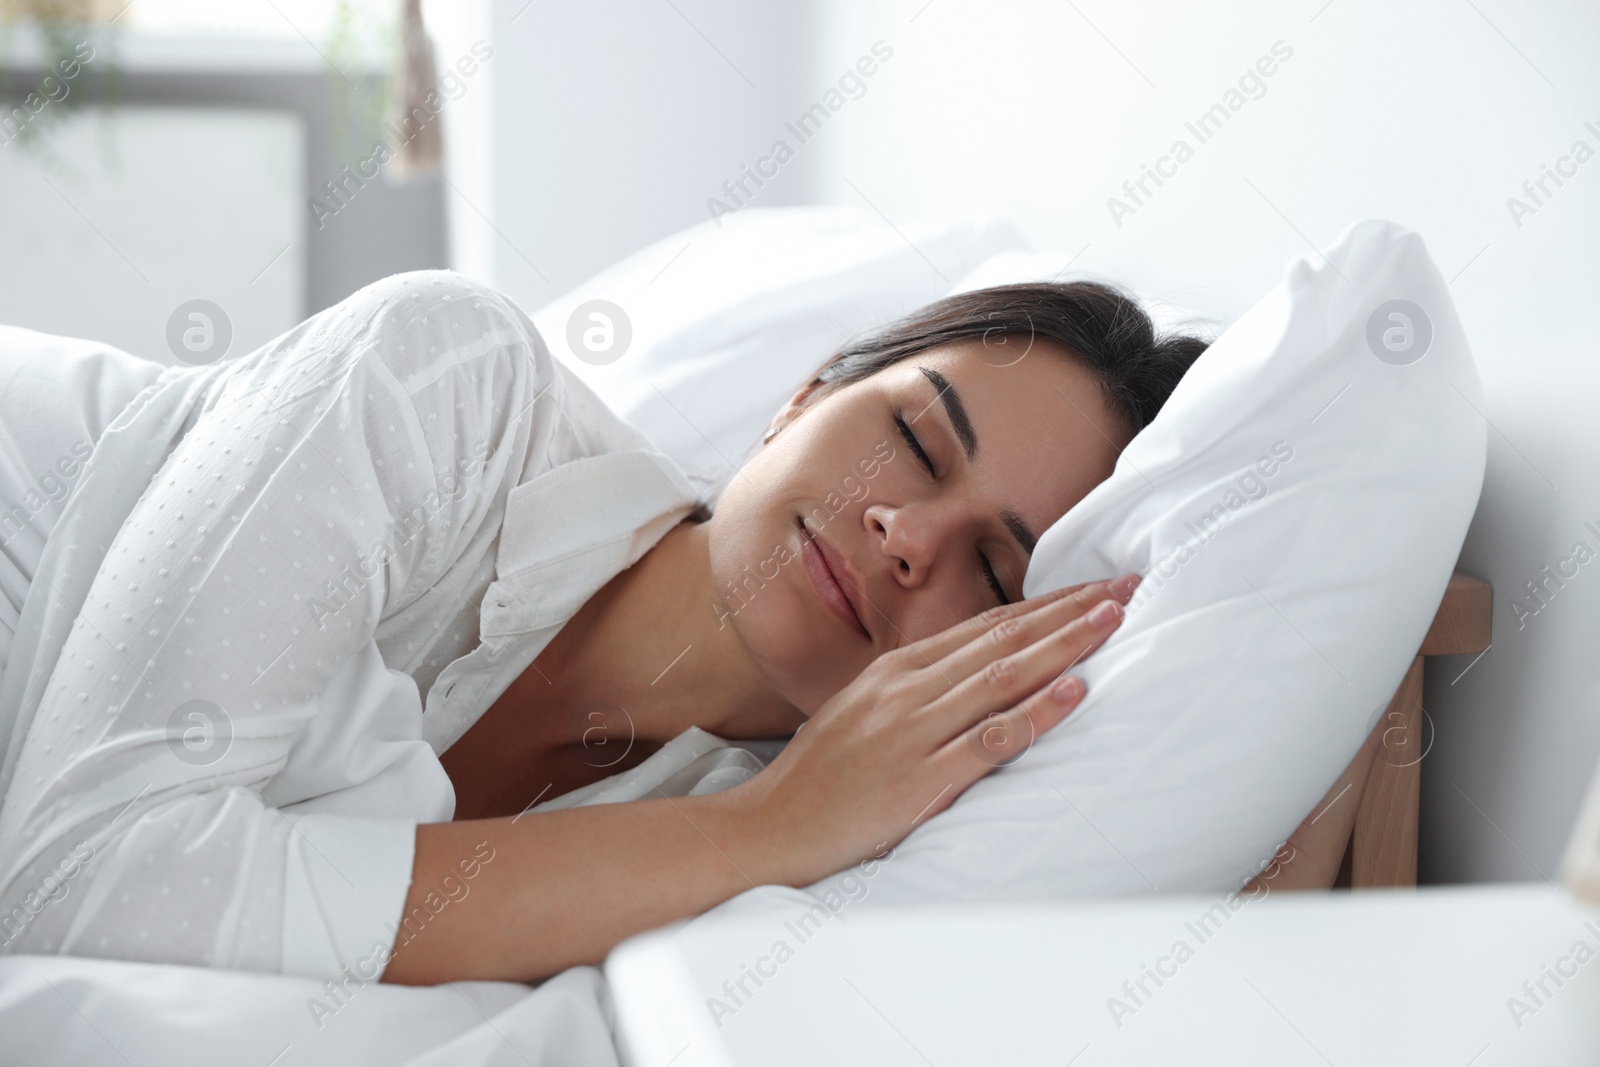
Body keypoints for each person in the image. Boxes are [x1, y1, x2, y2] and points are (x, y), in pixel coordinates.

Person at [0, 272, 1374, 988]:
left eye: (995, 576)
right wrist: (763, 833)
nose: (906, 536)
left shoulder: (791, 867)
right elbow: (81, 891)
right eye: (908, 438)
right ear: (795, 399)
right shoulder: (446, 380)